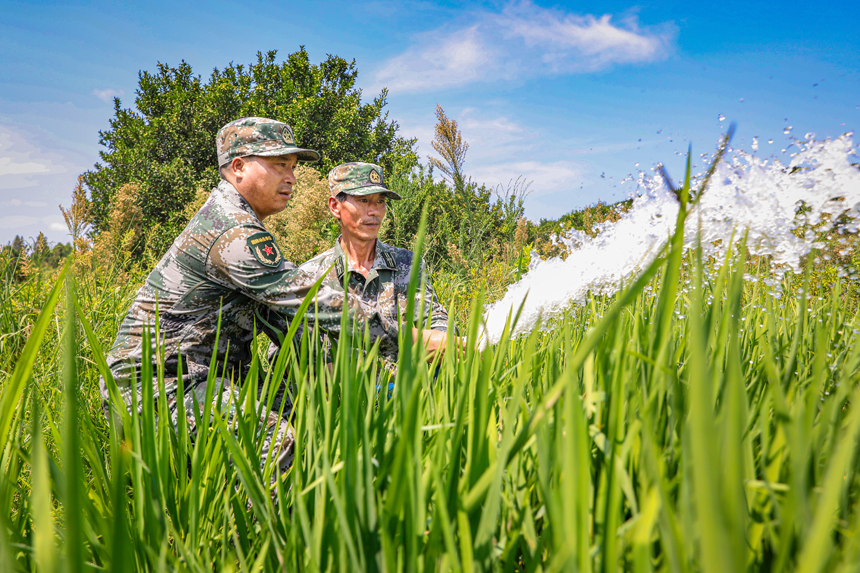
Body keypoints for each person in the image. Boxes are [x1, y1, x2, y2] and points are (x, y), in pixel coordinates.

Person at [103, 118, 397, 475]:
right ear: (238, 167)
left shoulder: (243, 223)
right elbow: (316, 304)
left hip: (202, 376)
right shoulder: (231, 230)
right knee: (277, 443)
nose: (291, 178)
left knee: (304, 403)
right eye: (278, 165)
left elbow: (294, 324)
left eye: (292, 167)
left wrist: (359, 376)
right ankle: (264, 529)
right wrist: (411, 339)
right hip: (156, 387)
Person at [298, 162, 455, 380]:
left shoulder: (407, 264)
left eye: (380, 202)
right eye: (363, 200)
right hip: (341, 399)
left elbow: (433, 318)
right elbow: (284, 349)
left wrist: (443, 339)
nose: (375, 211)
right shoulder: (311, 274)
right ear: (335, 206)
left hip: (408, 394)